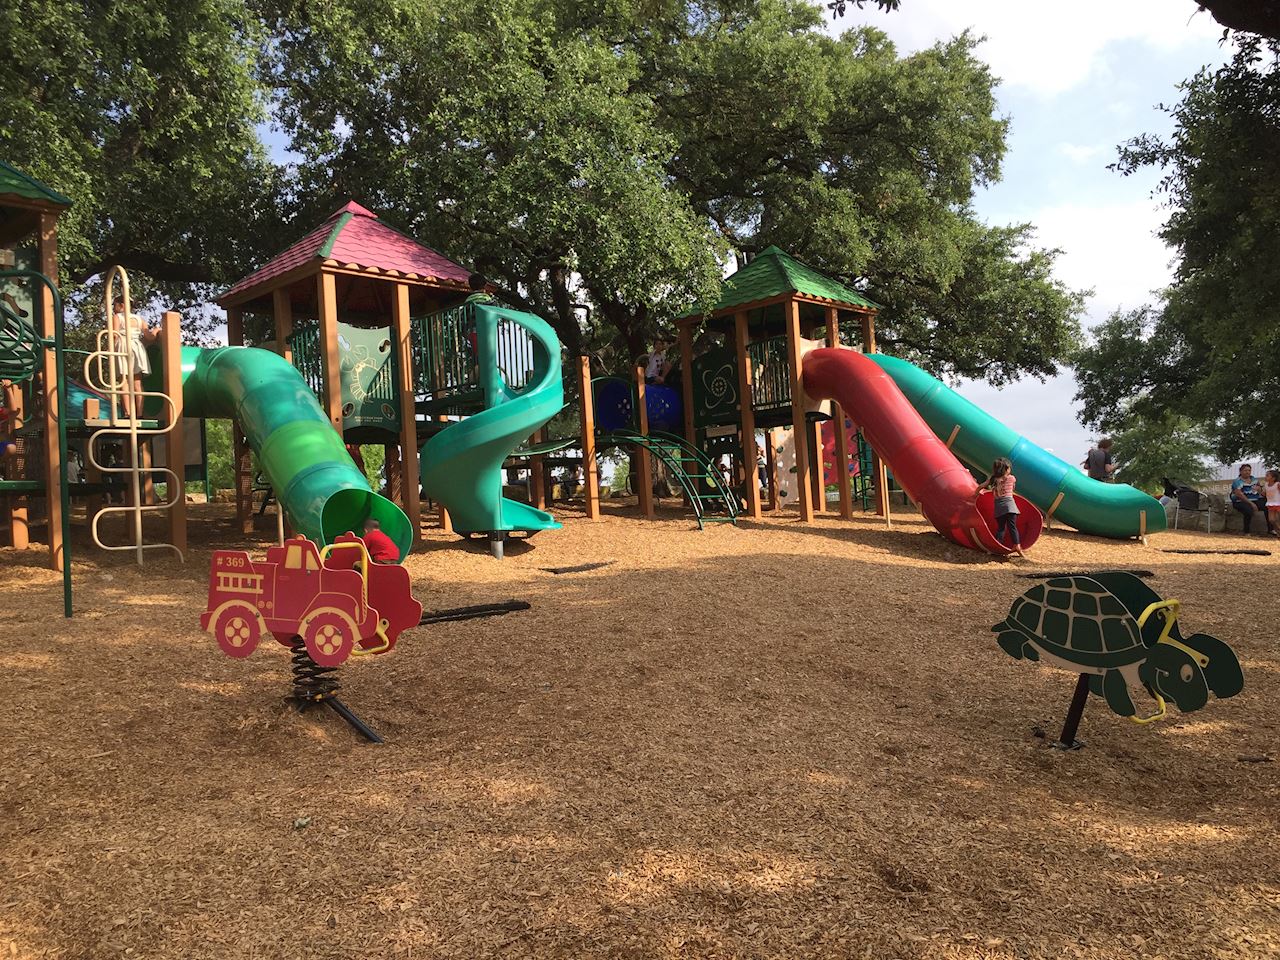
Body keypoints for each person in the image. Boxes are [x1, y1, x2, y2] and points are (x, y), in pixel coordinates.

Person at [110, 296, 156, 420]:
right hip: (137, 347)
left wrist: (110, 349)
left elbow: (114, 335)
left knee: (124, 380)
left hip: (123, 345)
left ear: (122, 305)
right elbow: (149, 337)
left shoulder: (117, 317)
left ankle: (127, 413)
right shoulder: (139, 319)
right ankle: (140, 413)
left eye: (115, 305)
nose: (114, 308)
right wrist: (156, 330)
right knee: (137, 381)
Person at [977, 457, 1026, 558]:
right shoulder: (1012, 478)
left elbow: (982, 486)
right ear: (1007, 469)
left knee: (1001, 528)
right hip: (1010, 506)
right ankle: (1017, 546)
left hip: (999, 506)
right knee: (1012, 527)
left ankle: (996, 547)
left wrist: (977, 492)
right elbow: (1012, 488)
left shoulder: (993, 479)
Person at [1232, 464, 1273, 536]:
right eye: (1245, 470)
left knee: (1268, 506)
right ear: (1241, 471)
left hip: (1255, 499)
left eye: (1249, 470)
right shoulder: (1237, 481)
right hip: (1241, 501)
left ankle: (1271, 529)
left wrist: (1260, 490)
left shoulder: (1254, 480)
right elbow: (1239, 494)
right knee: (1248, 510)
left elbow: (1261, 493)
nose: (1247, 472)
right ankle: (1246, 531)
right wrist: (1251, 504)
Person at [1265, 469, 1280, 538]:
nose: (1265, 477)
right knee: (1271, 520)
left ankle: (1278, 533)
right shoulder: (1266, 485)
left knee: (1276, 520)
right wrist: (1259, 491)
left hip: (1277, 503)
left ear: (1273, 478)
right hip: (1270, 503)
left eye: (1267, 475)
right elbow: (1265, 494)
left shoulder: (1277, 484)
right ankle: (1278, 531)